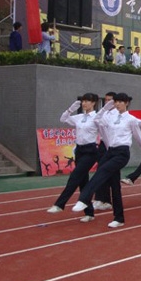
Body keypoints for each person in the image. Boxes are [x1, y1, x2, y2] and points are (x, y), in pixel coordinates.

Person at [72, 93, 141, 228]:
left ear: (126, 103)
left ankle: (84, 198)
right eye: (116, 102)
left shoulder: (131, 119)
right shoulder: (111, 118)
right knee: (115, 186)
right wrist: (104, 109)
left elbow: (138, 136)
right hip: (110, 151)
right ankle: (119, 218)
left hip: (122, 153)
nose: (117, 104)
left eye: (120, 102)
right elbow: (96, 120)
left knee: (103, 170)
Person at [47, 93, 99, 221]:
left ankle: (60, 204)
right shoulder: (79, 117)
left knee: (75, 176)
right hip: (79, 151)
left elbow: (105, 131)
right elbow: (63, 119)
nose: (84, 103)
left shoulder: (97, 118)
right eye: (83, 101)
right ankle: (89, 213)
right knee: (82, 181)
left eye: (87, 101)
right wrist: (70, 109)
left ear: (94, 103)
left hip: (90, 150)